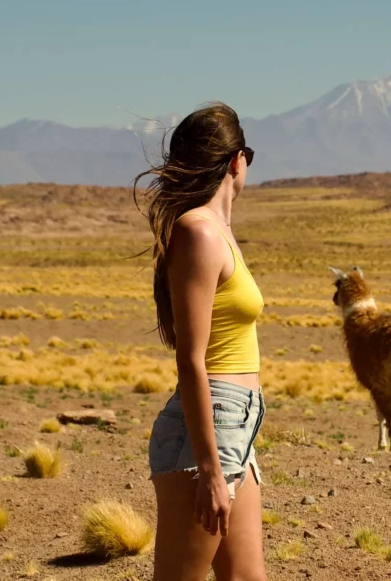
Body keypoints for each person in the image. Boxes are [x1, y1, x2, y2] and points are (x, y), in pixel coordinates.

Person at [134, 102, 266, 581]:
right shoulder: (199, 233)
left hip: (237, 424)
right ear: (236, 161)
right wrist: (210, 469)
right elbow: (191, 361)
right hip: (208, 428)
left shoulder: (219, 233)